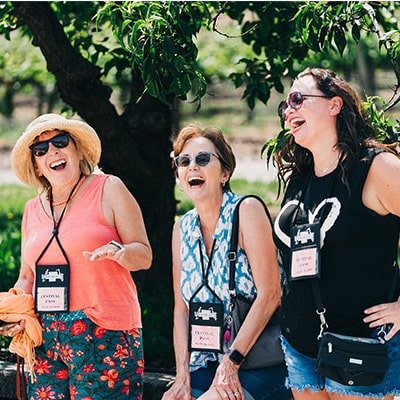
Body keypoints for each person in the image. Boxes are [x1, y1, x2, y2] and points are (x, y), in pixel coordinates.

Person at [0, 113, 152, 399]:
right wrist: (14, 311)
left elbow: (144, 255)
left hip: (104, 329)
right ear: (37, 166)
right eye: (41, 150)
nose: (52, 152)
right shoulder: (32, 209)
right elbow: (27, 275)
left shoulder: (108, 188)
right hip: (45, 335)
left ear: (77, 149)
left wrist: (119, 252)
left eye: (60, 141)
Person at [272, 67, 400, 399]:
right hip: (301, 347)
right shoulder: (300, 177)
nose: (289, 110)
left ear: (334, 105)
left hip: (360, 345)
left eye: (298, 99)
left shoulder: (376, 167)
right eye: (285, 105)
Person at [162, 124, 290, 400]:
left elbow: (271, 295)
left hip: (258, 360)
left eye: (203, 159)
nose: (192, 167)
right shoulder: (181, 229)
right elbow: (181, 309)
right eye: (184, 162)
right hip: (206, 363)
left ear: (225, 173)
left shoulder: (246, 210)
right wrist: (181, 375)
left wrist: (231, 363)